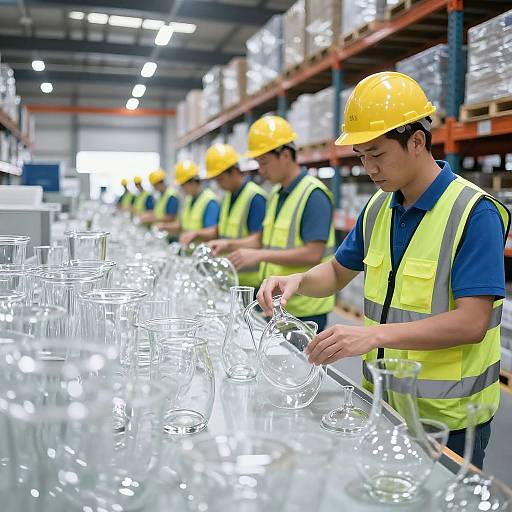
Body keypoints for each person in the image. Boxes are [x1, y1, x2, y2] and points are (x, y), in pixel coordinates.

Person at [256, 71, 510, 469]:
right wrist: (300, 279)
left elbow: (471, 323)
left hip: (449, 420)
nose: (369, 167)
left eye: (377, 153)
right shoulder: (379, 208)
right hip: (384, 403)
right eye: (361, 156)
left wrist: (370, 335)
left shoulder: (473, 213)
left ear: (417, 141)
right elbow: (337, 273)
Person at [229, 115, 336, 331]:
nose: (261, 170)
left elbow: (313, 253)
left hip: (304, 308)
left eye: (264, 162)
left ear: (286, 155)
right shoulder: (276, 194)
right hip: (277, 304)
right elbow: (264, 237)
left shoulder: (313, 195)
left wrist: (259, 255)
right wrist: (229, 245)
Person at [179, 143, 267, 287]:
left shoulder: (255, 198)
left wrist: (227, 245)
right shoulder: (227, 197)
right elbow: (221, 230)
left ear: (234, 171)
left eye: (220, 179)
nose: (218, 185)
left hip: (250, 282)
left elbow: (259, 241)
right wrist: (197, 234)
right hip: (230, 276)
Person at [156, 160, 220, 240]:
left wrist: (196, 234)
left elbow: (213, 232)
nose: (182, 189)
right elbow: (182, 225)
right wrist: (164, 226)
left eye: (183, 185)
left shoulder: (209, 201)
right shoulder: (189, 200)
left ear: (192, 182)